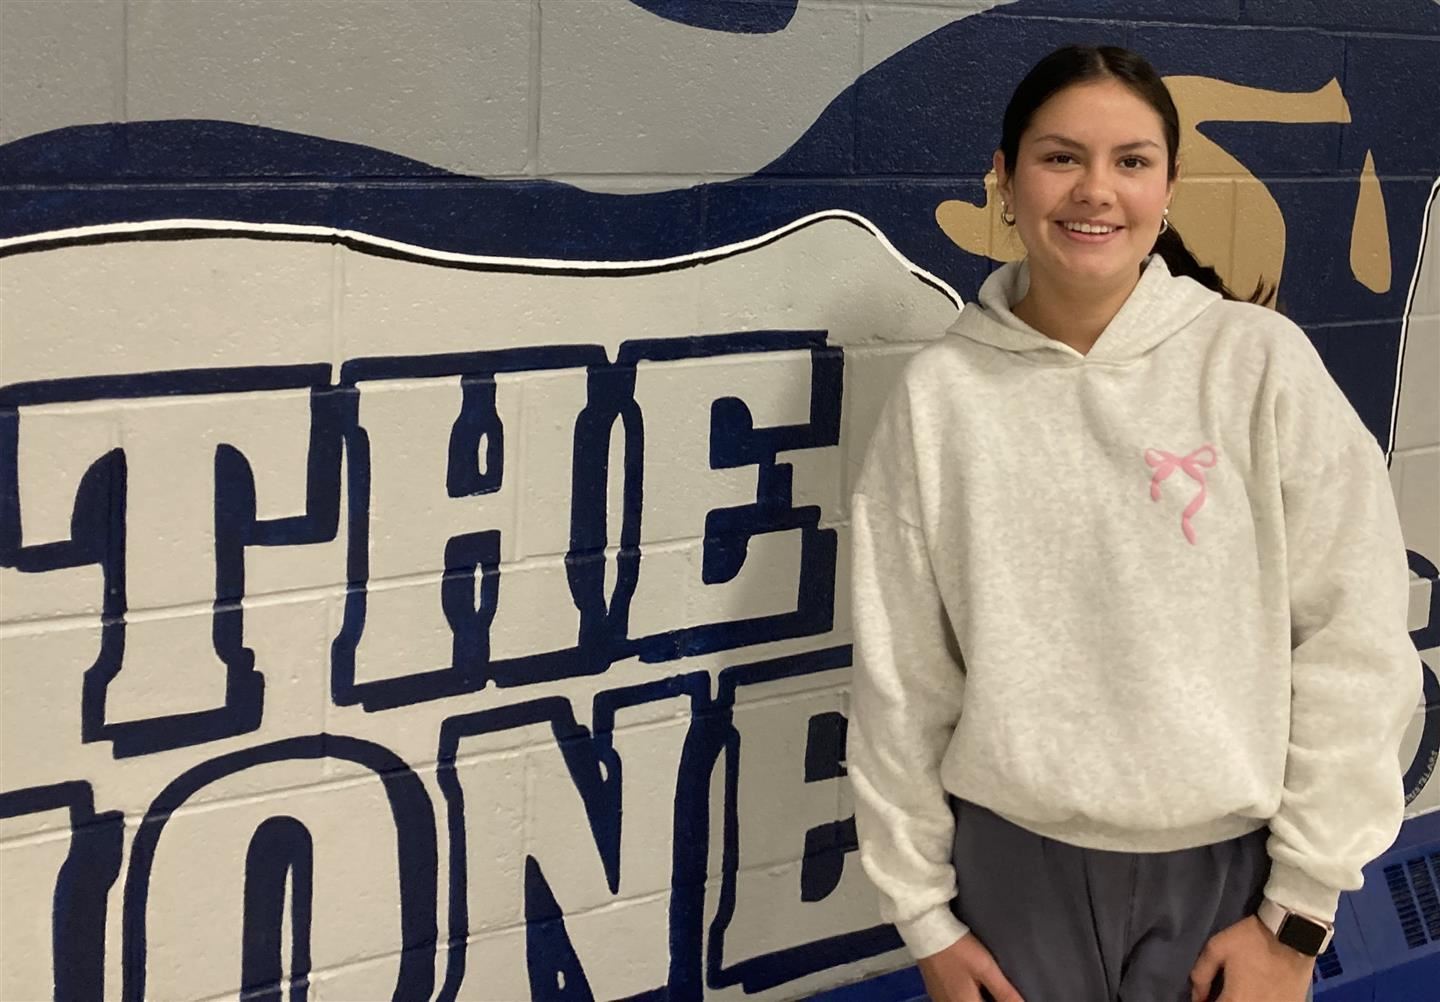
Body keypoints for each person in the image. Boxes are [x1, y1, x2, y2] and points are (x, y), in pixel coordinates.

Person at [846, 44, 1419, 1002]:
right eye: (1061, 157)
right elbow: (902, 674)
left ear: (1170, 185)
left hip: (1232, 874)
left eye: (1132, 161)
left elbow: (1355, 638)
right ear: (1005, 176)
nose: (1095, 191)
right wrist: (924, 917)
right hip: (1010, 873)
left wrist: (1299, 912)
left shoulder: (1258, 364)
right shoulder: (941, 395)